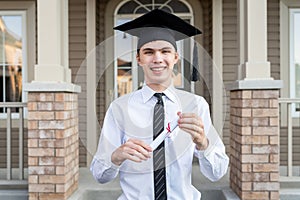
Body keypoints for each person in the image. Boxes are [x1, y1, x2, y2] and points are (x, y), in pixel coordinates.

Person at [90, 9, 229, 200]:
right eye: (149, 52)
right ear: (138, 59)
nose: (157, 59)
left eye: (165, 51)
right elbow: (99, 175)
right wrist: (117, 156)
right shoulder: (119, 108)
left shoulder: (195, 105)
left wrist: (203, 143)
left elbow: (217, 173)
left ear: (175, 58)